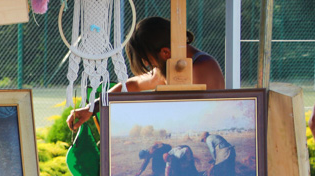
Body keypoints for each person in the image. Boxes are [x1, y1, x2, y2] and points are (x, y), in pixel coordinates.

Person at [67, 17, 224, 131]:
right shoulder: (171, 65)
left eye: (149, 61)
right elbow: (131, 85)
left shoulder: (202, 68)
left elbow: (194, 119)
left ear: (165, 52)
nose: (150, 66)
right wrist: (91, 108)